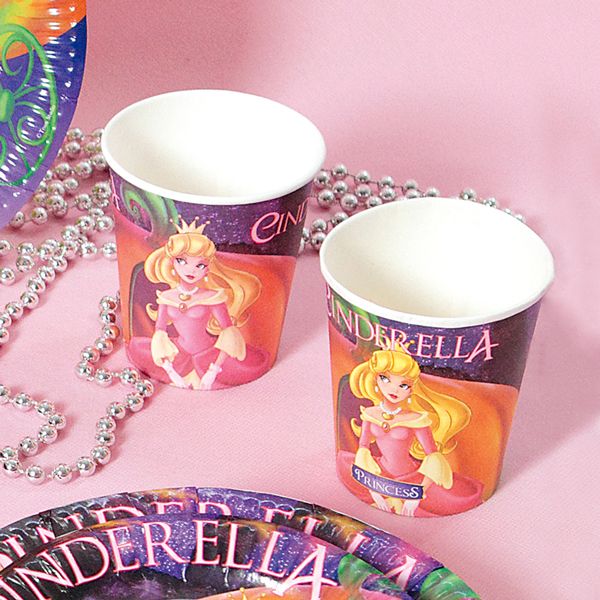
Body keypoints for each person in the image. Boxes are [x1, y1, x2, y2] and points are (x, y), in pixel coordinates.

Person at [338, 346, 483, 516]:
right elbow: (363, 449)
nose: (394, 389)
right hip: (379, 473)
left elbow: (433, 456)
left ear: (411, 389)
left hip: (411, 478)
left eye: (403, 385)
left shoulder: (416, 419)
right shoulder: (370, 414)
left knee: (448, 503)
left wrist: (417, 495)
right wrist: (374, 491)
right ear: (376, 380)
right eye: (386, 379)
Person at [128, 217, 268, 390]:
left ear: (207, 268)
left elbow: (228, 332)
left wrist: (213, 371)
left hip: (209, 354)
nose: (191, 270)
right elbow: (160, 333)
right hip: (178, 354)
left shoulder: (212, 297)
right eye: (182, 261)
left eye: (200, 265)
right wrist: (170, 372)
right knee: (138, 349)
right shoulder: (166, 297)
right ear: (172, 262)